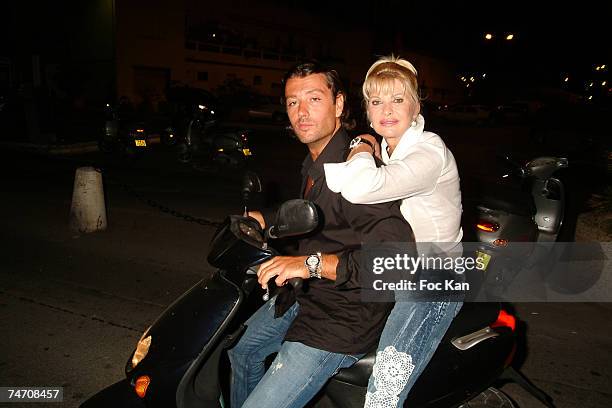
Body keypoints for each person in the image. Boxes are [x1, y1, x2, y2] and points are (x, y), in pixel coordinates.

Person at [228, 61, 414, 408]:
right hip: (306, 297)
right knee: (242, 352)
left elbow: (395, 262)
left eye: (314, 99)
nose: (301, 112)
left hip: (343, 317)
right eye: (292, 102)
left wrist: (310, 263)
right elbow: (316, 215)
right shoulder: (318, 161)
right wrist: (264, 218)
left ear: (339, 105)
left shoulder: (355, 173)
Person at [324, 55, 464, 407]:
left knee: (384, 392)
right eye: (376, 101)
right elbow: (342, 187)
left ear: (416, 105)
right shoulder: (390, 147)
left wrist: (362, 146)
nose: (386, 110)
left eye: (397, 99)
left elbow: (361, 187)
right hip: (398, 266)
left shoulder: (428, 151)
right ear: (368, 110)